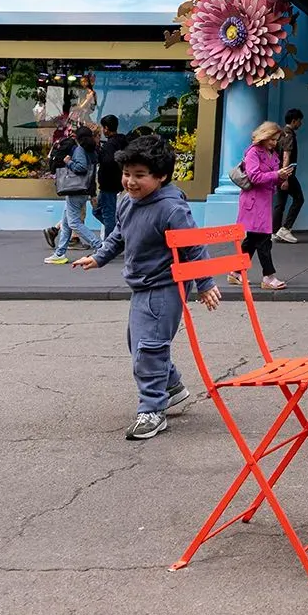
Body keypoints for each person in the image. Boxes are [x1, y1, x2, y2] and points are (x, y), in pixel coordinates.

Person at [71, 135, 221, 440]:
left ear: (161, 176)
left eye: (140, 176)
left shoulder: (170, 209)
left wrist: (205, 283)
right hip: (141, 286)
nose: (130, 182)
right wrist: (98, 257)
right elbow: (118, 236)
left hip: (164, 287)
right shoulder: (128, 203)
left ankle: (152, 409)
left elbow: (193, 245)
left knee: (149, 349)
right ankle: (173, 386)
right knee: (138, 343)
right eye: (127, 174)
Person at [235, 122, 289, 291]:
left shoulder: (272, 154)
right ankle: (268, 276)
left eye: (276, 140)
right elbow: (254, 177)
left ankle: (236, 271)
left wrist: (282, 176)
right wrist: (276, 175)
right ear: (264, 136)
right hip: (254, 202)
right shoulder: (253, 152)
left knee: (251, 240)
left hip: (263, 201)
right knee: (263, 240)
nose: (274, 143)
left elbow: (272, 176)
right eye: (272, 139)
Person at [44, 126, 100, 264]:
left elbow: (81, 168)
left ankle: (99, 245)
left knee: (73, 222)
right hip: (83, 189)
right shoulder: (92, 151)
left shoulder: (80, 150)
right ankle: (60, 253)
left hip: (75, 190)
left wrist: (68, 162)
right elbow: (91, 173)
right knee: (66, 222)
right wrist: (92, 193)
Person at [272, 108, 305, 243]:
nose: (300, 124)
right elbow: (286, 155)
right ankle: (285, 229)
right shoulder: (289, 135)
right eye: (299, 121)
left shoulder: (279, 134)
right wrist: (285, 177)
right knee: (299, 199)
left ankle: (274, 231)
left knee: (280, 203)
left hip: (279, 173)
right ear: (294, 121)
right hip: (287, 174)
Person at [94, 115, 128, 240]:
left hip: (108, 184)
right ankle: (118, 232)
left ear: (106, 128)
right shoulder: (122, 142)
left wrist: (100, 155)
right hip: (114, 184)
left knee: (108, 215)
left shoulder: (109, 146)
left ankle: (112, 240)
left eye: (103, 127)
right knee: (97, 211)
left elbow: (107, 162)